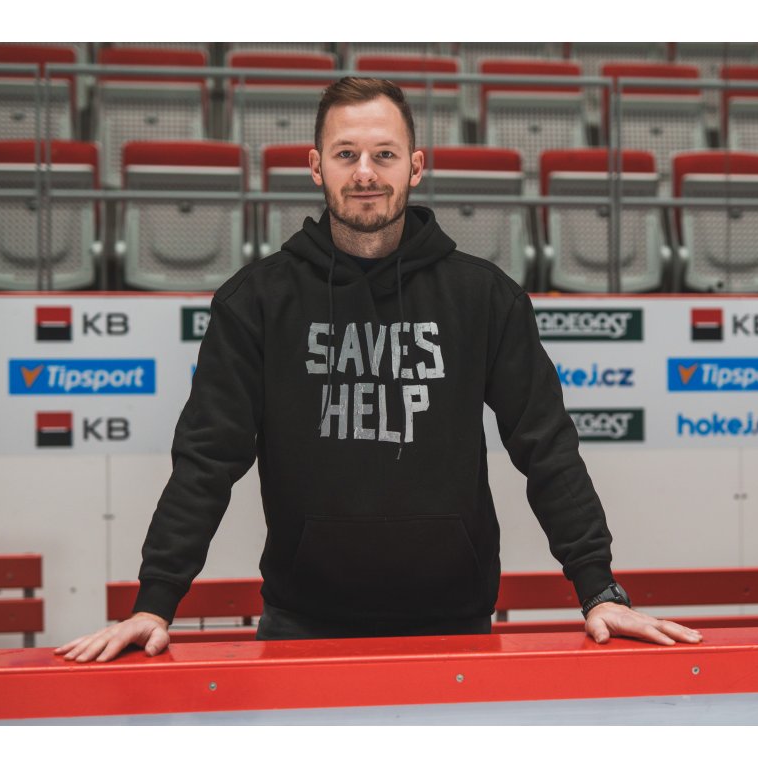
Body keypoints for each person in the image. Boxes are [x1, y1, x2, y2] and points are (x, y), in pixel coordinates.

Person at [57, 77, 701, 663]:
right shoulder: (258, 302)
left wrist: (599, 590)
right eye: (346, 154)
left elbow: (547, 447)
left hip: (456, 624)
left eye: (384, 154)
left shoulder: (482, 298)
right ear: (316, 166)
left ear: (415, 166)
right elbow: (207, 459)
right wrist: (155, 603)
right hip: (301, 626)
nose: (365, 173)